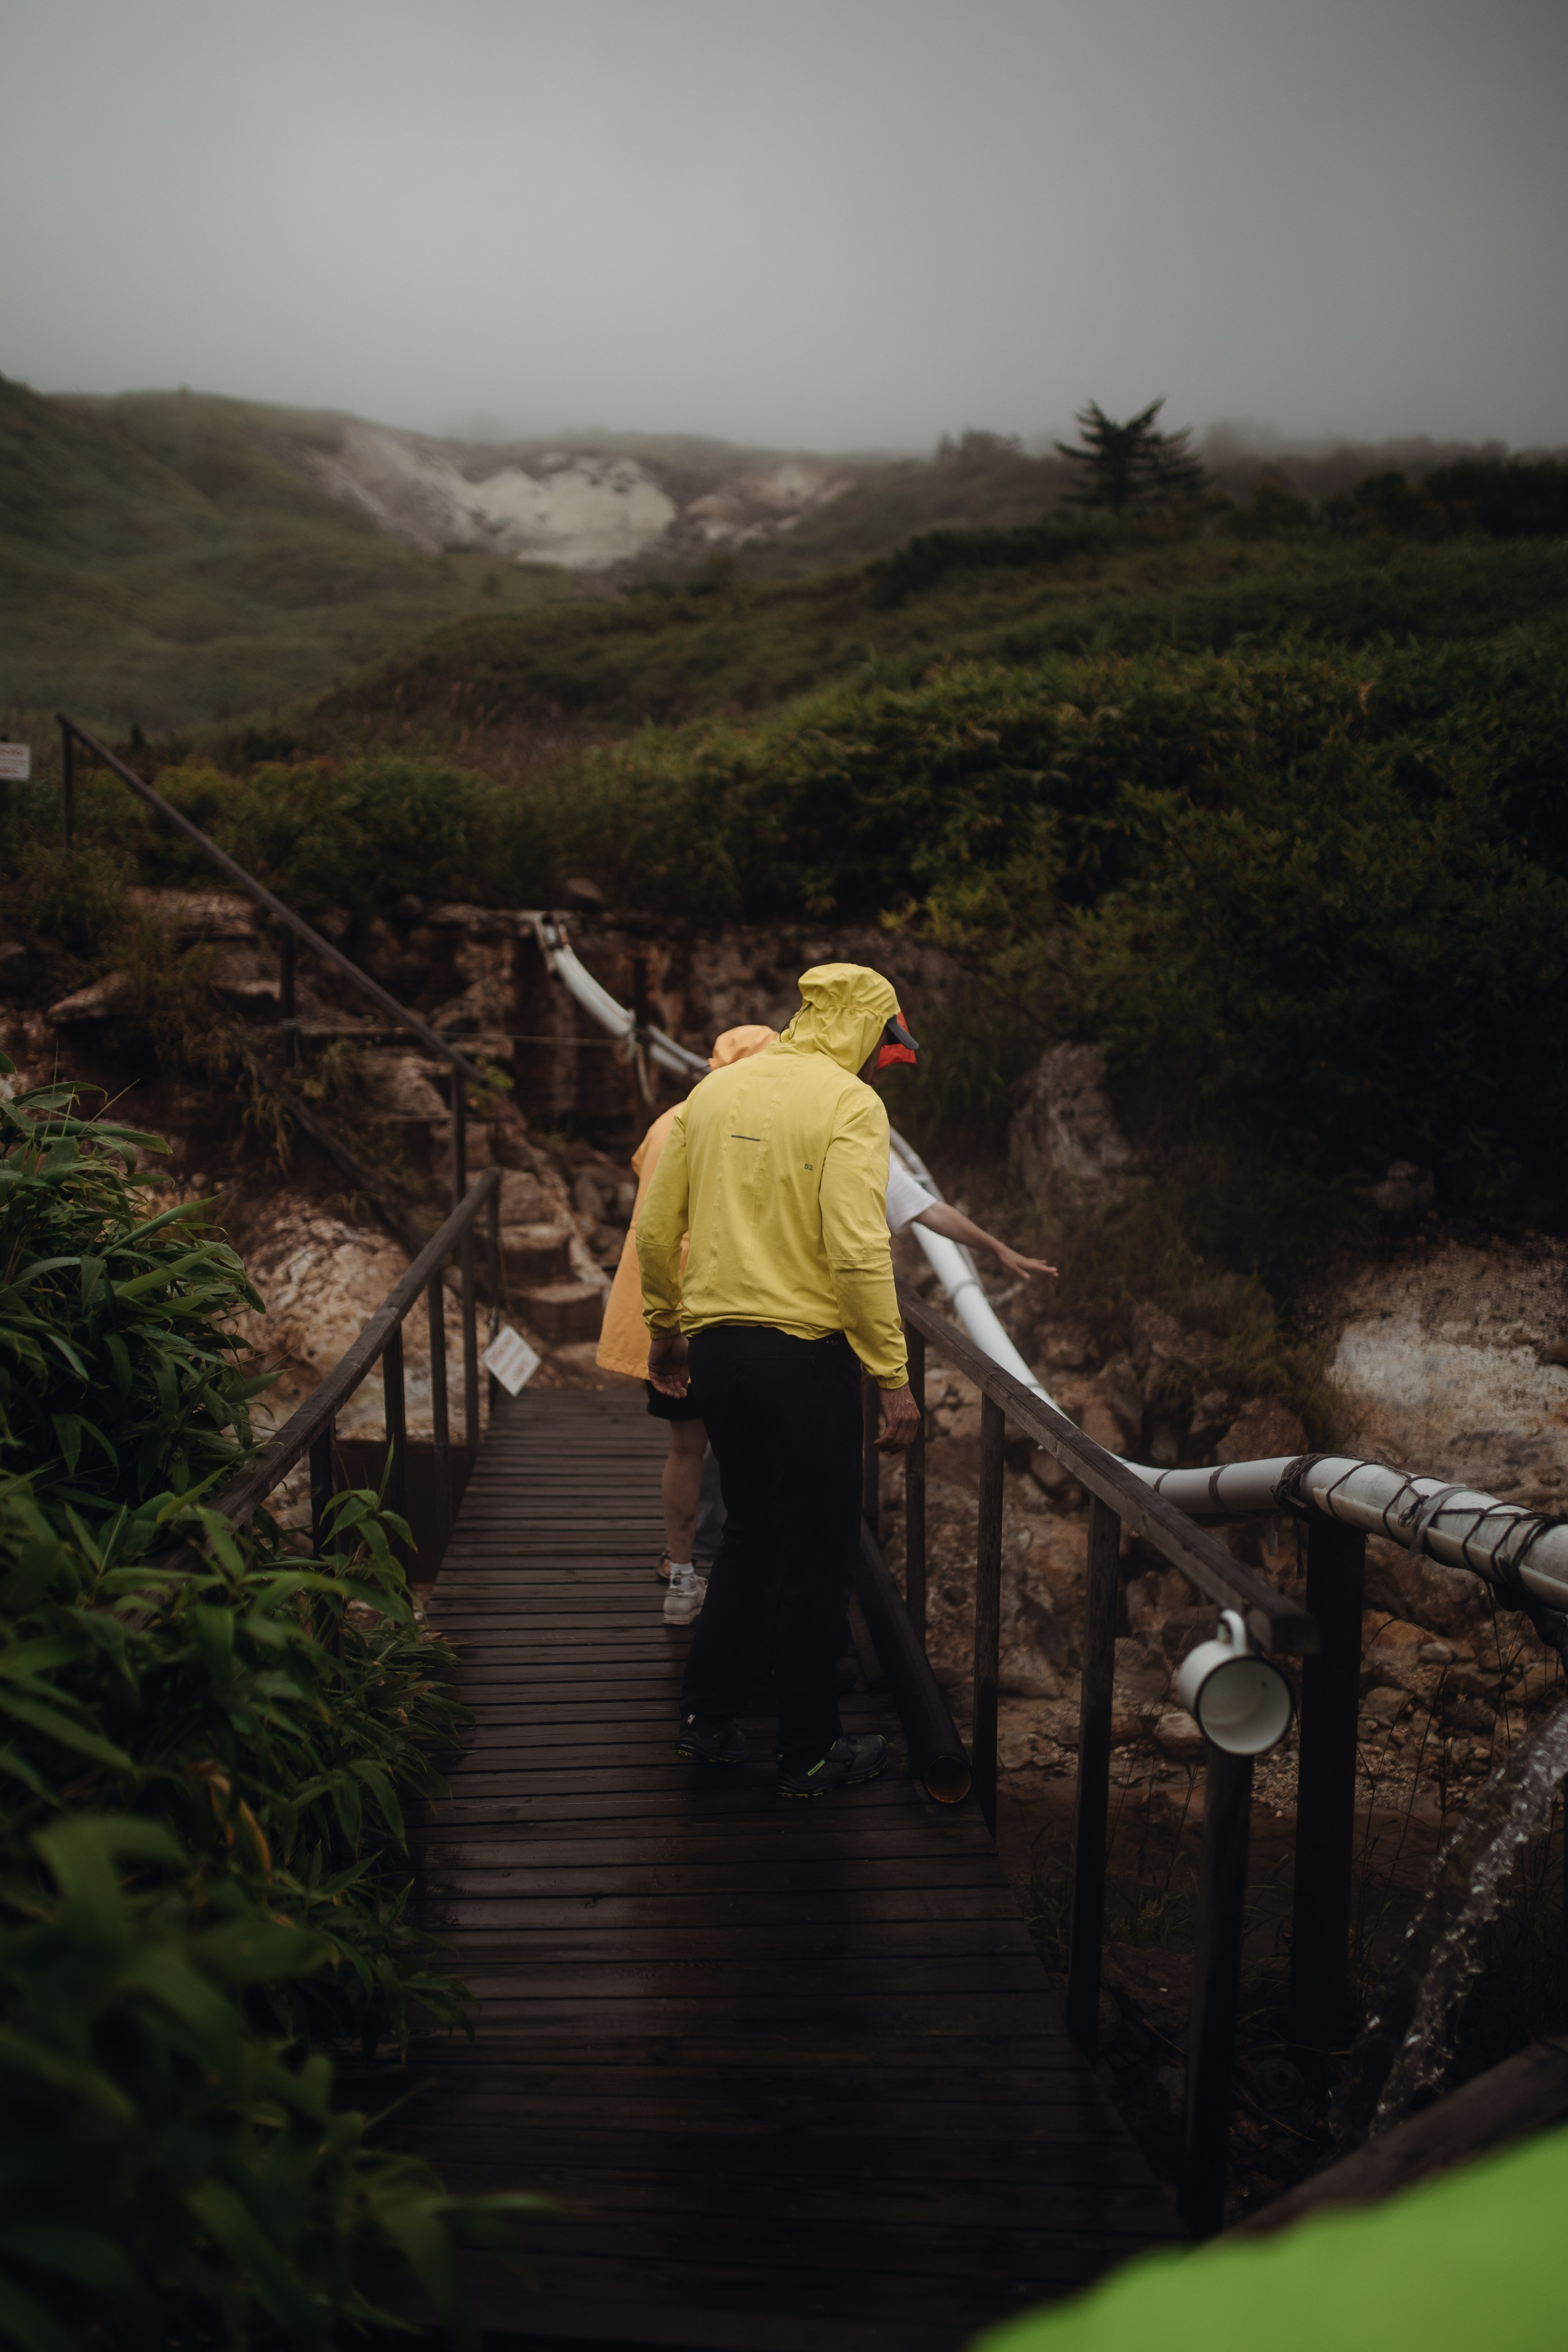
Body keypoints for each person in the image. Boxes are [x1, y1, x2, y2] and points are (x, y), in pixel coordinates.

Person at [638, 962, 922, 1798]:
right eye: (881, 1044)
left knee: (754, 1532)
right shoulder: (850, 1105)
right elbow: (858, 1249)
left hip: (719, 1347)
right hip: (805, 1356)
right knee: (818, 1548)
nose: (879, 1062)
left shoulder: (714, 1095)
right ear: (866, 1029)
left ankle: (707, 1719)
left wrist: (666, 1331)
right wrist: (893, 1376)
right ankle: (807, 1749)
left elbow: (658, 1229)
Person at [595, 1024, 779, 1626]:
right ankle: (729, 1568)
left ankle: (681, 1572)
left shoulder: (666, 1120)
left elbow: (649, 1208)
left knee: (684, 1447)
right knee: (740, 1447)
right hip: (717, 1304)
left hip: (660, 1304)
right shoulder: (742, 1123)